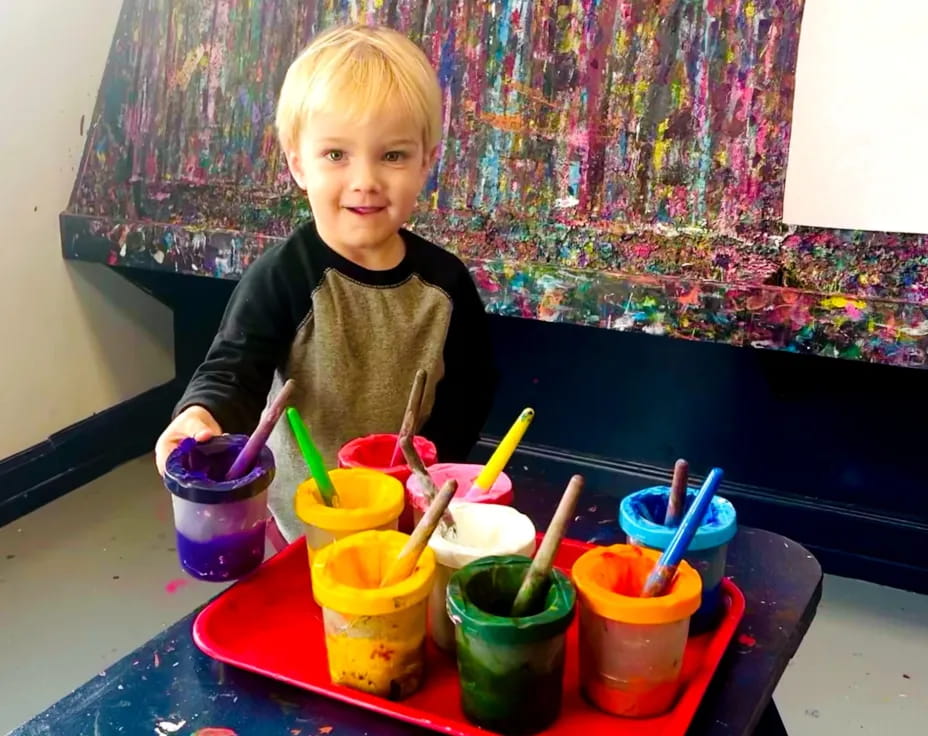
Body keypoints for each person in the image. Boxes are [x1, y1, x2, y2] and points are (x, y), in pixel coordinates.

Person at [154, 24, 497, 541]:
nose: (365, 180)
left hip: (406, 518)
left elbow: (472, 386)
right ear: (298, 164)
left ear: (427, 162)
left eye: (393, 155)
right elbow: (233, 370)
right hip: (302, 521)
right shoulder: (282, 275)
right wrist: (199, 415)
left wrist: (432, 470)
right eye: (336, 155)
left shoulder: (446, 284)